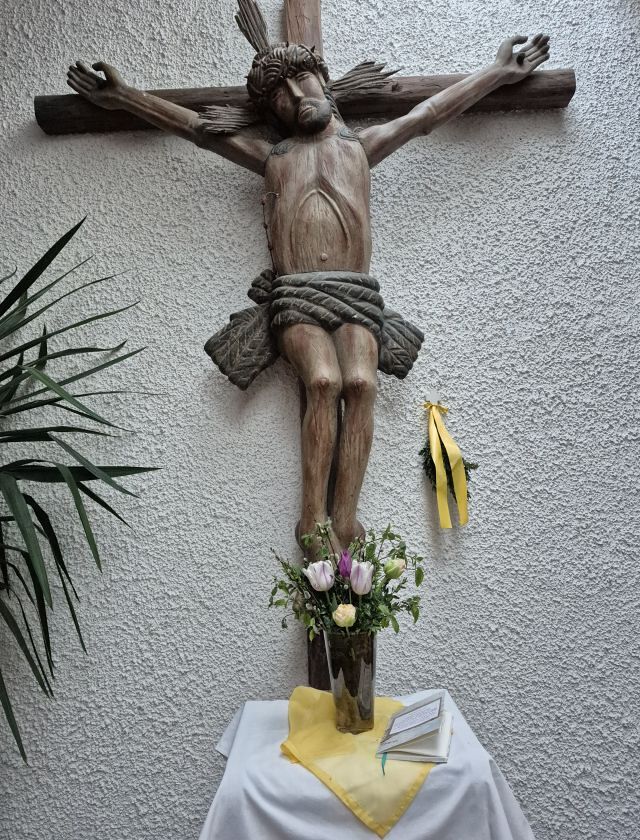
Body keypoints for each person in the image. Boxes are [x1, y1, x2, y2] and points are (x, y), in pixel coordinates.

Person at [67, 0, 549, 553]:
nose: (298, 98)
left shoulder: (360, 148)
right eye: (281, 96)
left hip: (356, 294)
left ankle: (345, 520)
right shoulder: (273, 157)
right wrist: (124, 96)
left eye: (304, 81)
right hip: (297, 296)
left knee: (362, 385)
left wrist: (498, 72)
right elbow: (197, 129)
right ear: (272, 112)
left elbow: (428, 114)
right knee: (322, 382)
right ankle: (310, 520)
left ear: (325, 81)